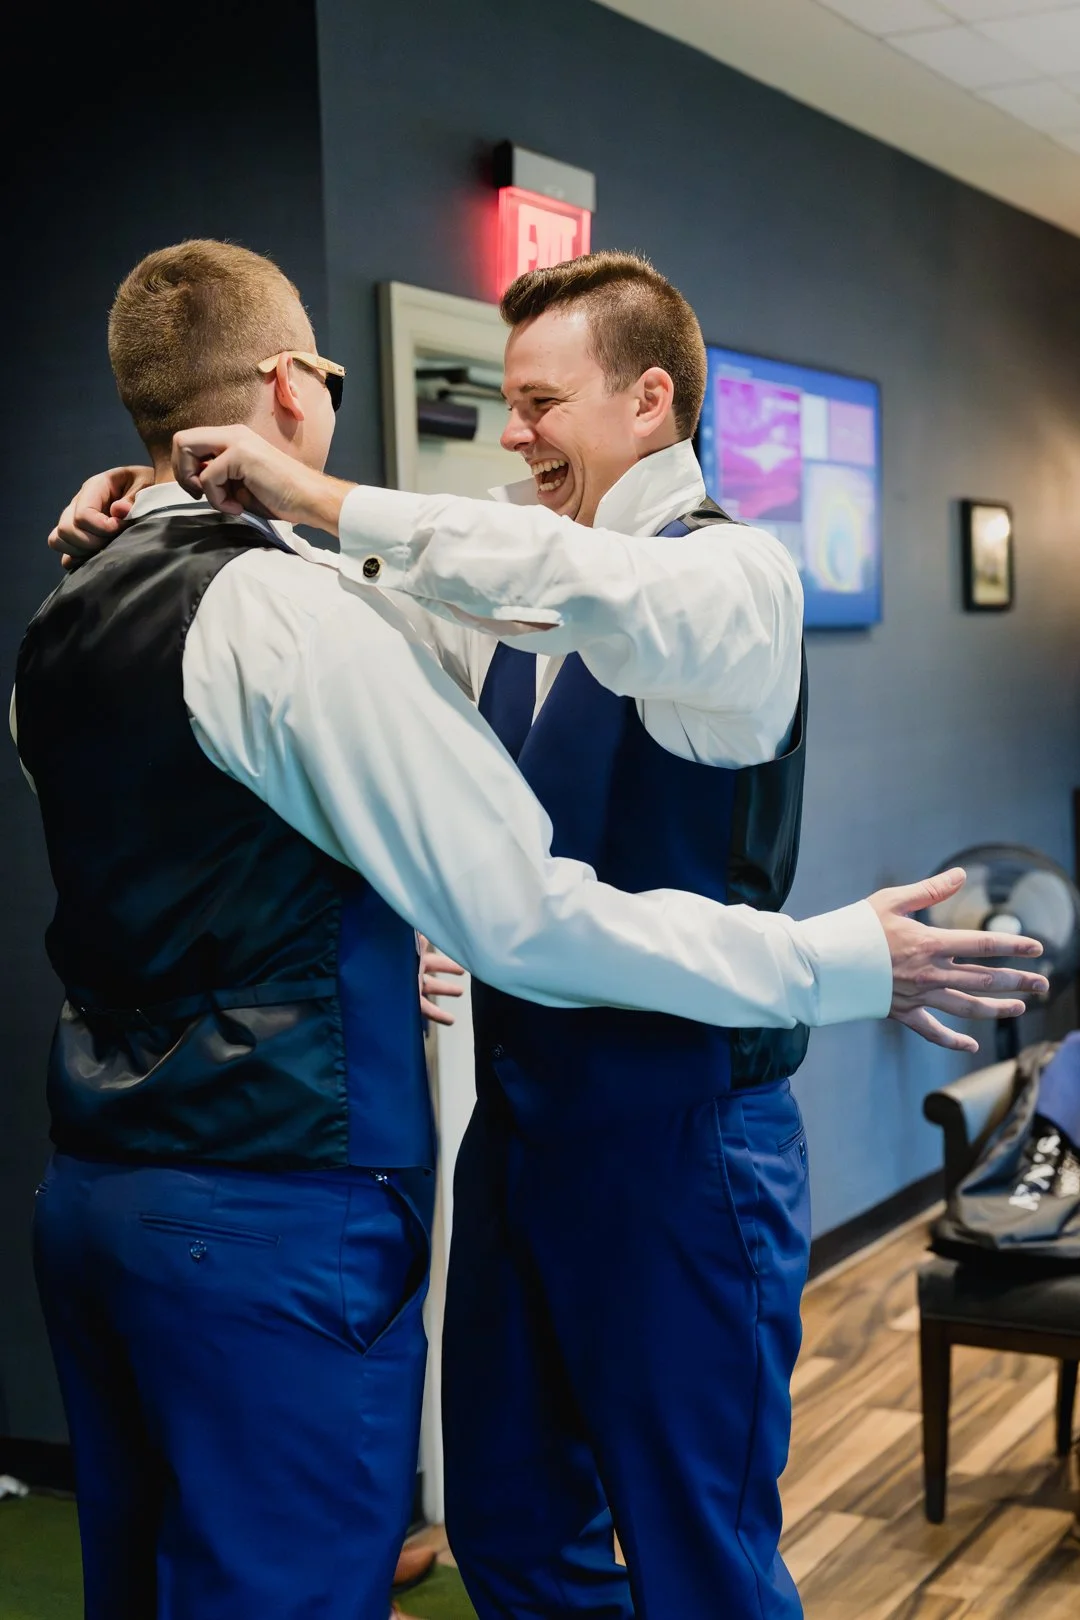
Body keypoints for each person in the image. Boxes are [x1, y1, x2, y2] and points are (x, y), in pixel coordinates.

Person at [47, 244, 1045, 1620]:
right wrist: (158, 510)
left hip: (685, 1145)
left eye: (536, 403)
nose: (508, 436)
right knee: (509, 1525)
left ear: (650, 402)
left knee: (698, 1555)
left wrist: (317, 490)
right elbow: (350, 634)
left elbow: (591, 588)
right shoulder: (511, 599)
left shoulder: (735, 580)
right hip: (519, 1135)